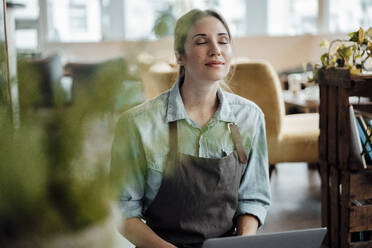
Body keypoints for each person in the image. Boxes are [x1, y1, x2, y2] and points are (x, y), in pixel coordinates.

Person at [110, 9, 271, 248]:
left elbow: (253, 198)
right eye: (201, 41)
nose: (216, 49)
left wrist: (243, 244)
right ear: (180, 56)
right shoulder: (137, 124)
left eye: (223, 41)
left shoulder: (250, 118)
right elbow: (123, 212)